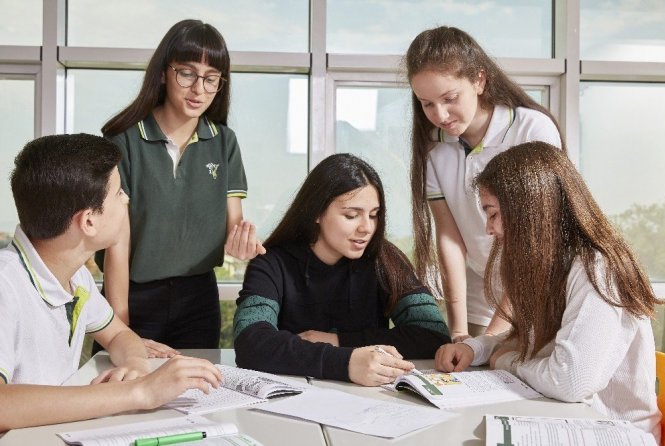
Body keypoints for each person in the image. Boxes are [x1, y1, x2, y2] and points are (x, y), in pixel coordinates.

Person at [435, 142, 662, 439]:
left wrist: (504, 361)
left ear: (528, 211)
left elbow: (571, 381)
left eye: (492, 214)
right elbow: (533, 340)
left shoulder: (598, 269)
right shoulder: (557, 264)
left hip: (615, 434)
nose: (489, 229)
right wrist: (475, 348)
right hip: (568, 421)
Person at [0, 134, 223, 432]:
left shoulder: (75, 275)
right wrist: (140, 392)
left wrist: (136, 364)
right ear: (89, 221)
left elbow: (118, 334)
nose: (127, 200)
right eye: (118, 193)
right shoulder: (6, 285)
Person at [97, 19, 265, 357]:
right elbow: (117, 244)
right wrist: (121, 330)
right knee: (126, 383)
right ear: (163, 73)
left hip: (199, 301)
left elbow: (234, 224)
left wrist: (245, 243)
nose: (198, 89)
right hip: (133, 296)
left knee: (198, 387)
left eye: (211, 78)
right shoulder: (124, 142)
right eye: (187, 73)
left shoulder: (224, 142)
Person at [233, 154, 451, 386]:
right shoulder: (270, 264)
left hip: (369, 399)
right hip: (291, 396)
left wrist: (337, 341)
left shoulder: (385, 259)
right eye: (351, 215)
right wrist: (346, 363)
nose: (367, 227)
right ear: (317, 212)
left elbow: (433, 334)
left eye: (374, 215)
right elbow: (250, 341)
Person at [406, 26, 564, 342]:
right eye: (427, 104)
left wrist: (489, 339)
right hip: (479, 296)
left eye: (450, 98)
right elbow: (449, 238)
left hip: (538, 289)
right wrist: (459, 331)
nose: (440, 114)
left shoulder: (532, 130)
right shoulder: (434, 147)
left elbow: (534, 240)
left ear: (479, 80)